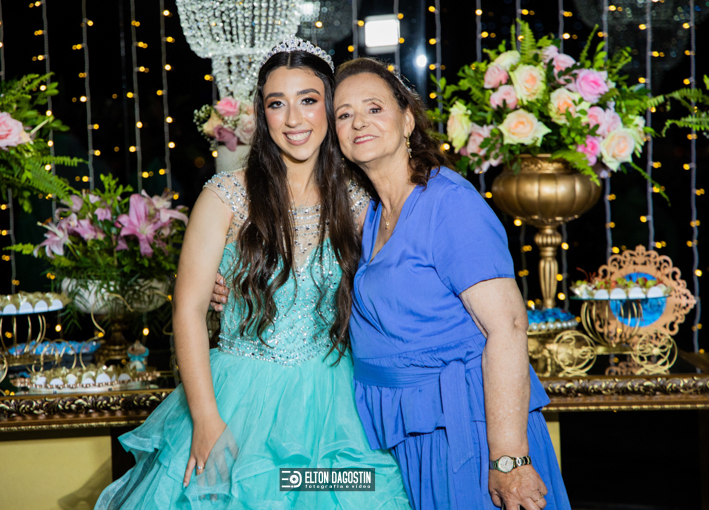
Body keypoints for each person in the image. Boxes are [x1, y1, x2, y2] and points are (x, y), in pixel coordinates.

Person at [95, 40, 410, 509]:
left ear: (329, 107)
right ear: (263, 115)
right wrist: (206, 419)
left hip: (336, 407)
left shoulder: (358, 200)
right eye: (276, 104)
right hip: (238, 402)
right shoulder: (225, 196)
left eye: (308, 100)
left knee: (352, 492)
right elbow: (188, 311)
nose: (293, 119)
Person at [331, 58, 570, 510]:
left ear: (407, 120)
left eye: (374, 108)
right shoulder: (374, 215)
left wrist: (508, 459)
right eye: (344, 114)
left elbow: (507, 327)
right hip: (409, 431)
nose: (359, 122)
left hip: (469, 435)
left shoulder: (449, 203)